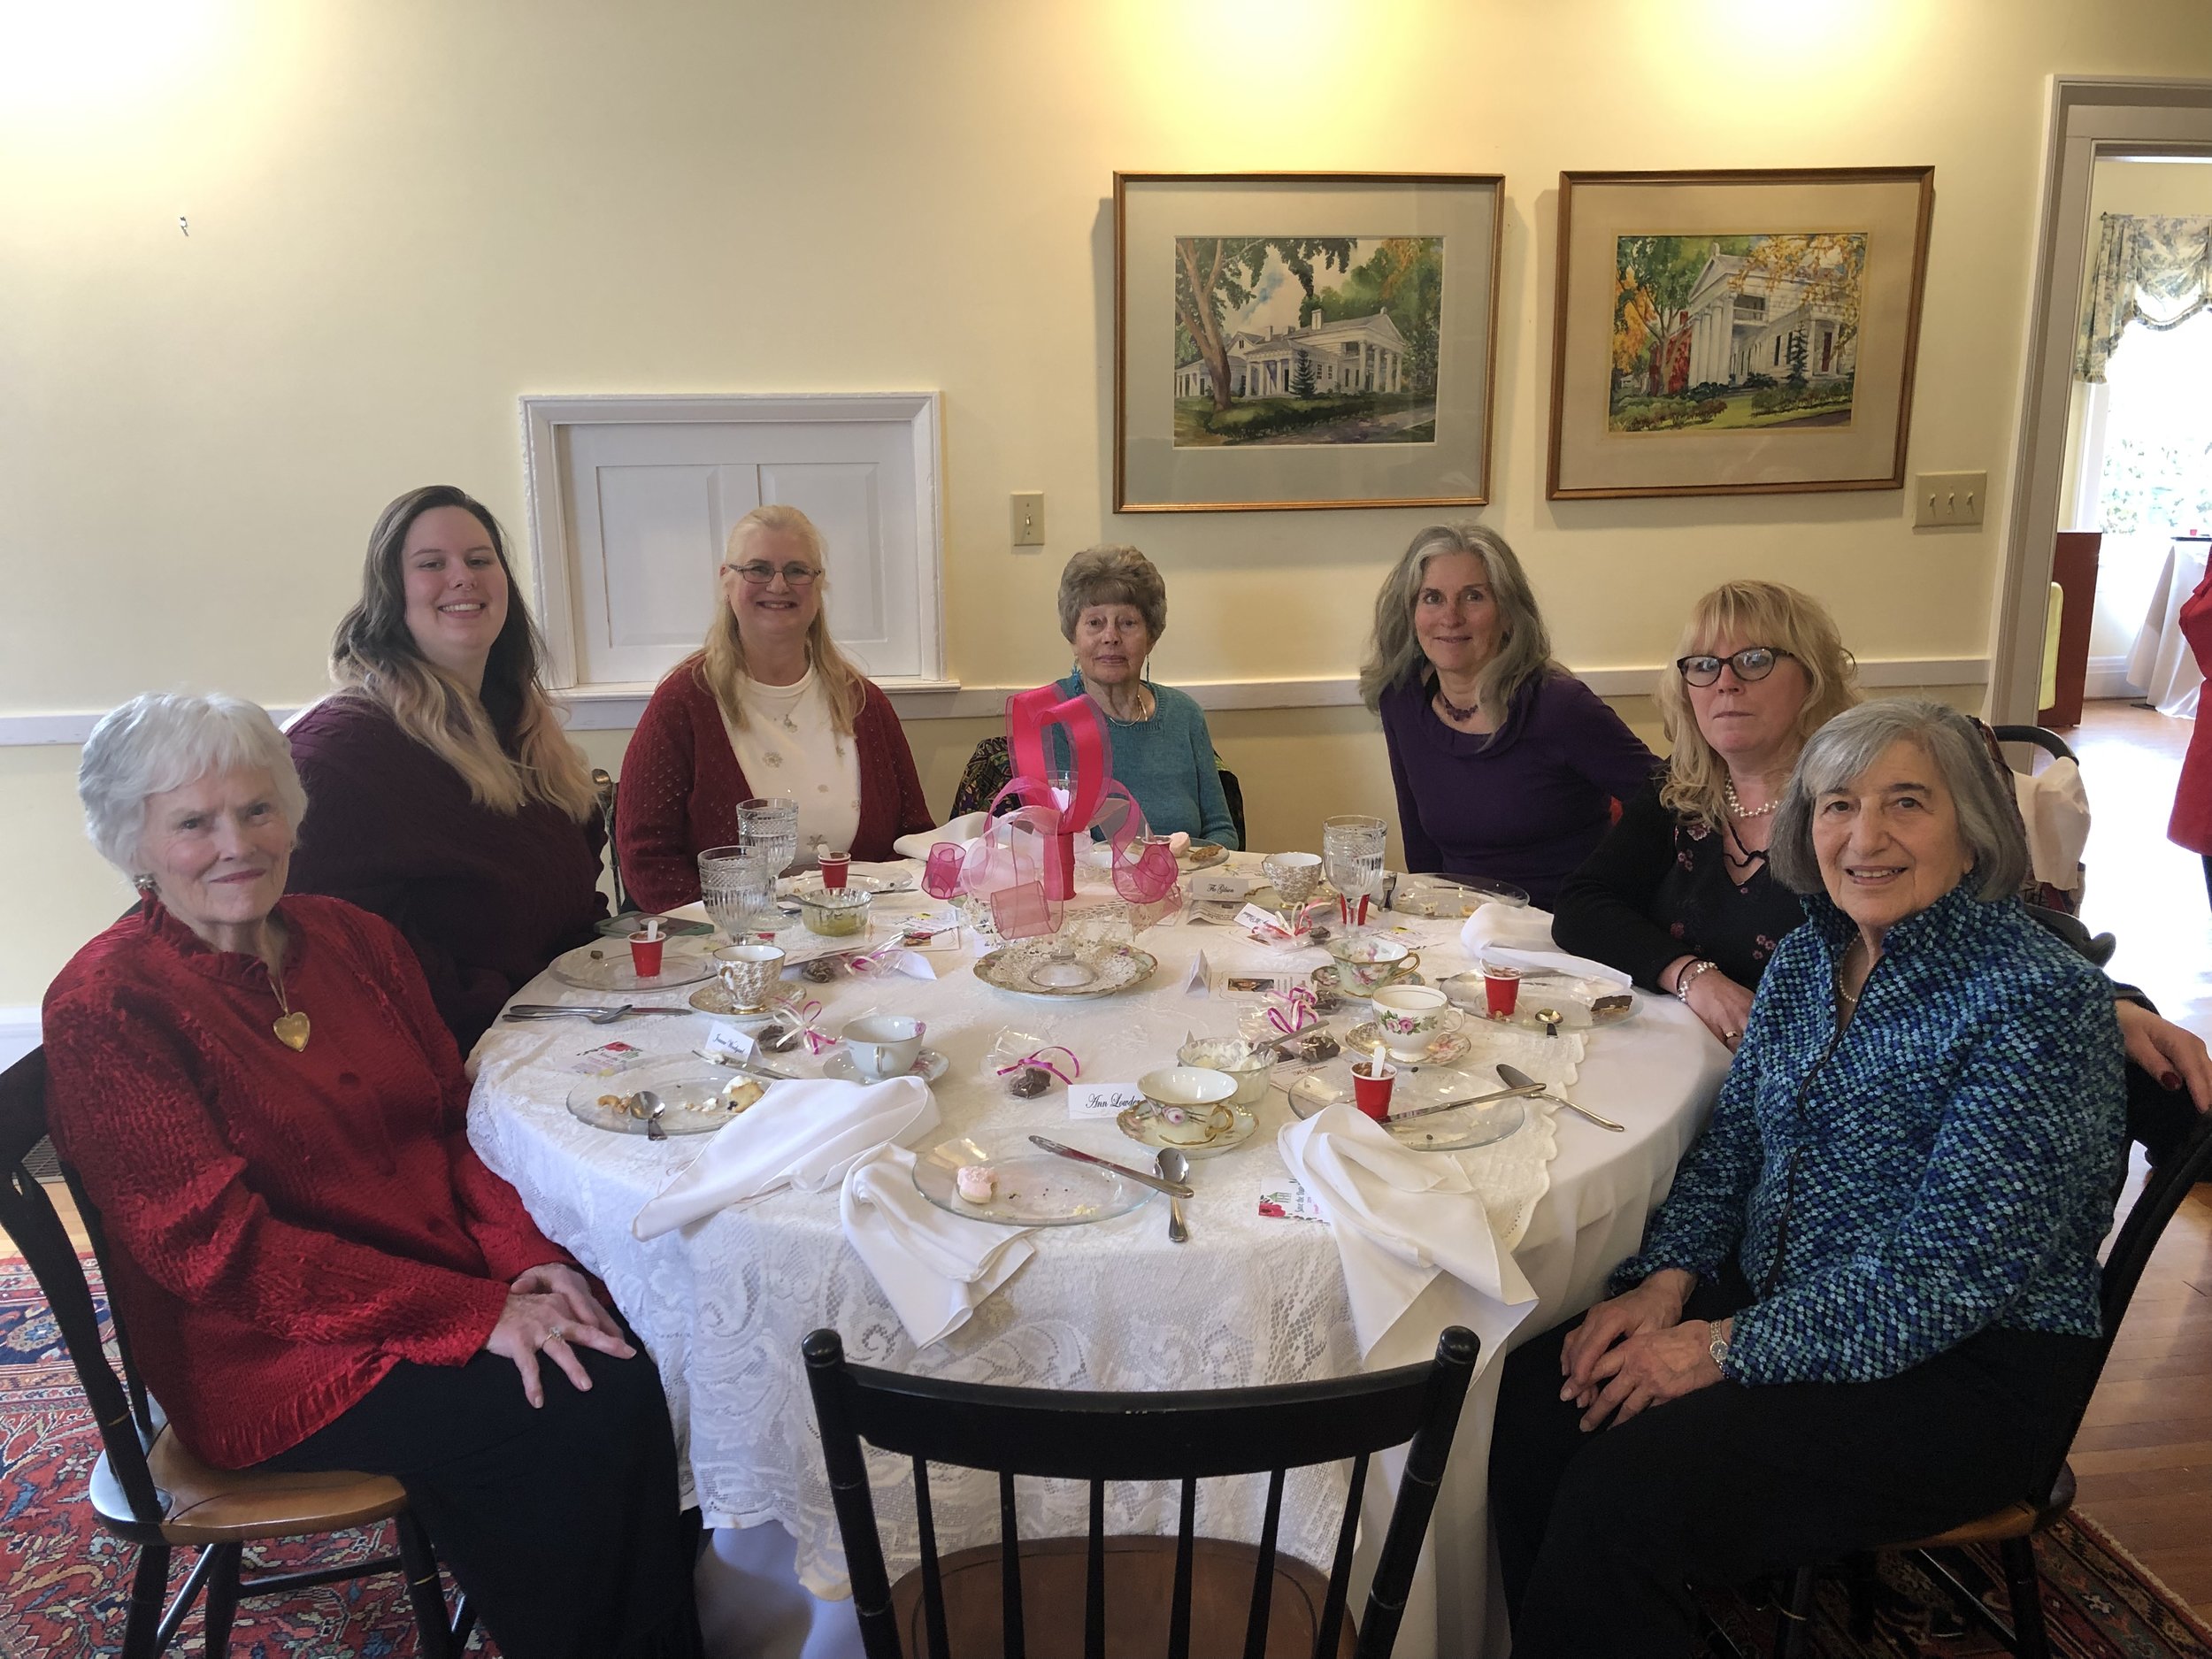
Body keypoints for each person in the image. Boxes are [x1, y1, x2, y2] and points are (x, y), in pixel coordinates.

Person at [44, 694, 702, 1659]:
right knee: (584, 1407)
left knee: (642, 1319)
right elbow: (224, 1258)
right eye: (193, 822)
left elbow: (450, 1127)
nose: (237, 843)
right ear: (131, 843)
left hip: (433, 1276)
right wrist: (471, 1313)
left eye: (258, 809)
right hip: (268, 1350)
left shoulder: (352, 942)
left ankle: (657, 1623)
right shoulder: (111, 1005)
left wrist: (522, 1261)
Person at [1488, 699, 2128, 1658]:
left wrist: (1718, 1346)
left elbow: (1941, 1282)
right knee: (1536, 1402)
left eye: (1906, 803)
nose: (1864, 837)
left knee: (1623, 1500)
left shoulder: (2035, 1001)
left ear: (1972, 831)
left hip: (1965, 1372)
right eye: (1837, 805)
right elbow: (1734, 1147)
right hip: (1793, 1296)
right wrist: (1665, 1283)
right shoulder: (1805, 959)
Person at [1553, 579, 2210, 1156]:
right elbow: (1582, 903)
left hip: (1844, 1117)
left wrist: (2105, 1002)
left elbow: (1990, 922)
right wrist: (1694, 976)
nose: (1724, 681)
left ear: (1810, 675)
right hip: (1713, 1096)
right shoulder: (1681, 788)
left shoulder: (1864, 801)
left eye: (1753, 659)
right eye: (1703, 664)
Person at [287, 485, 608, 1052]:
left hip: (562, 1026)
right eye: (432, 564)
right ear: (392, 595)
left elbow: (577, 903)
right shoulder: (340, 754)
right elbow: (341, 960)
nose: (463, 577)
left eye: (480, 560)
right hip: (454, 1062)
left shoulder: (522, 729)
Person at [617, 503, 933, 911]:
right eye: (758, 569)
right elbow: (648, 860)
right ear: (726, 582)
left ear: (818, 588)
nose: (779, 585)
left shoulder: (864, 703)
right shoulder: (683, 703)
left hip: (863, 942)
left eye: (798, 571)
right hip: (732, 952)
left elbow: (913, 838)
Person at [1359, 524, 1655, 909]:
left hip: (1564, 931)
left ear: (1509, 615)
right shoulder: (1401, 700)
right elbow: (1422, 849)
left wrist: (1623, 896)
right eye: (1432, 597)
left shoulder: (1560, 707)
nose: (1451, 617)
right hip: (1460, 930)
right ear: (1410, 614)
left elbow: (1670, 801)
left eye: (1474, 597)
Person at [1042, 543, 1239, 847]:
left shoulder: (1184, 715)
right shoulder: (1049, 717)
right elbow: (1037, 844)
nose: (1111, 637)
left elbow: (1222, 831)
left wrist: (1188, 865)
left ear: (1151, 637)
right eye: (1095, 623)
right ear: (1073, 636)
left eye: (1128, 623)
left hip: (1182, 887)